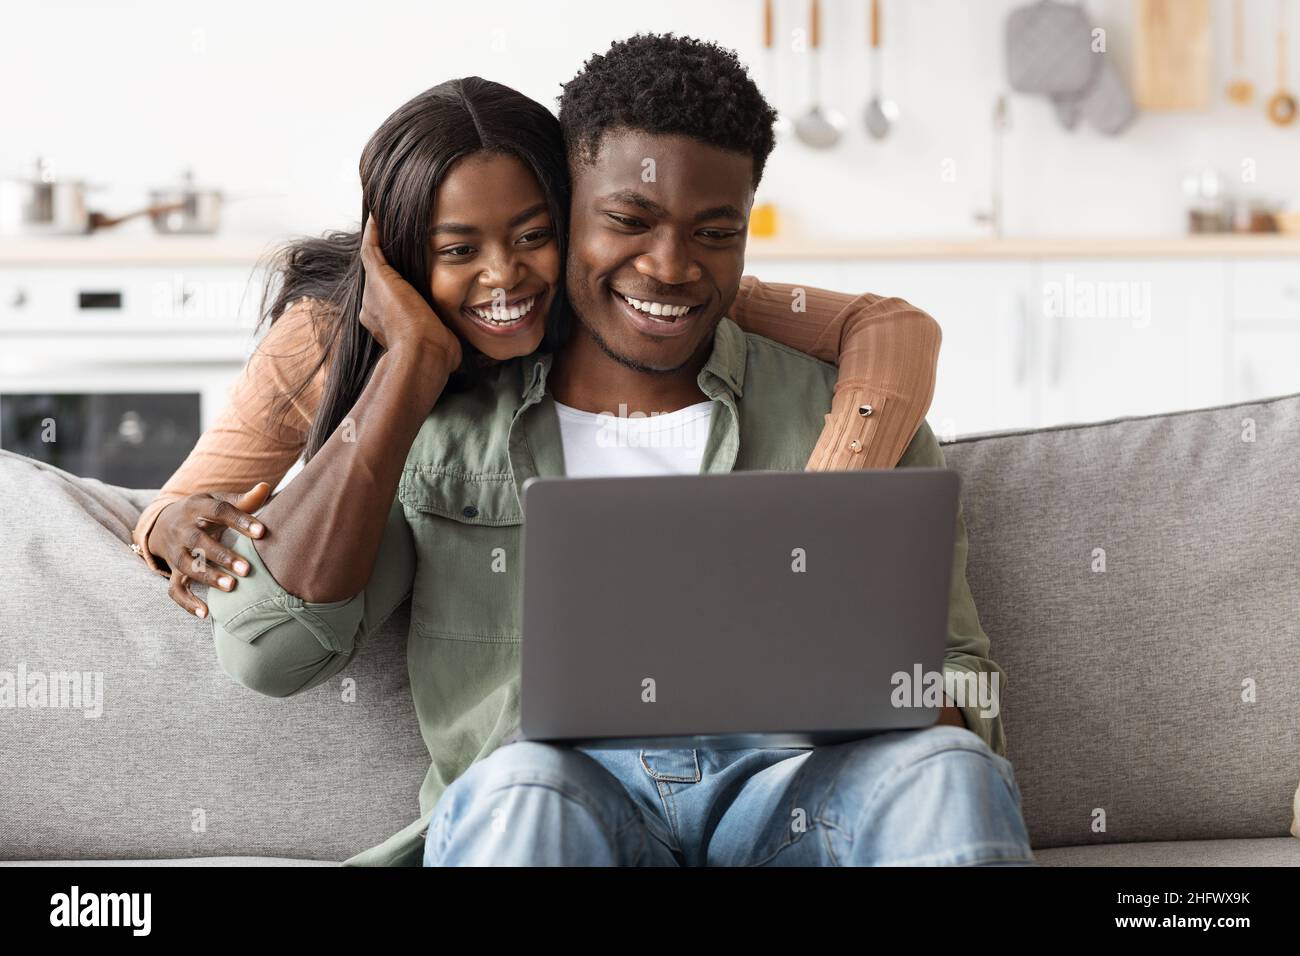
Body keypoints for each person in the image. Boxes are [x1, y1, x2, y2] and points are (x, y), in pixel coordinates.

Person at [207, 35, 1032, 867]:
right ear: (566, 210)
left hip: (788, 802)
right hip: (557, 801)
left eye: (716, 231)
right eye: (629, 221)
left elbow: (963, 679)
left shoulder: (844, 414)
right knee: (522, 790)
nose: (672, 267)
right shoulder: (447, 429)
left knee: (948, 769)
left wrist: (865, 686)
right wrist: (408, 367)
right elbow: (266, 654)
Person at [129, 81, 942, 619]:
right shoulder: (322, 336)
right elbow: (177, 502)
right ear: (402, 251)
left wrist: (828, 501)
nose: (504, 277)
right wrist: (165, 526)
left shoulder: (611, 301)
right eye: (459, 250)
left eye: (533, 235)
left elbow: (892, 328)